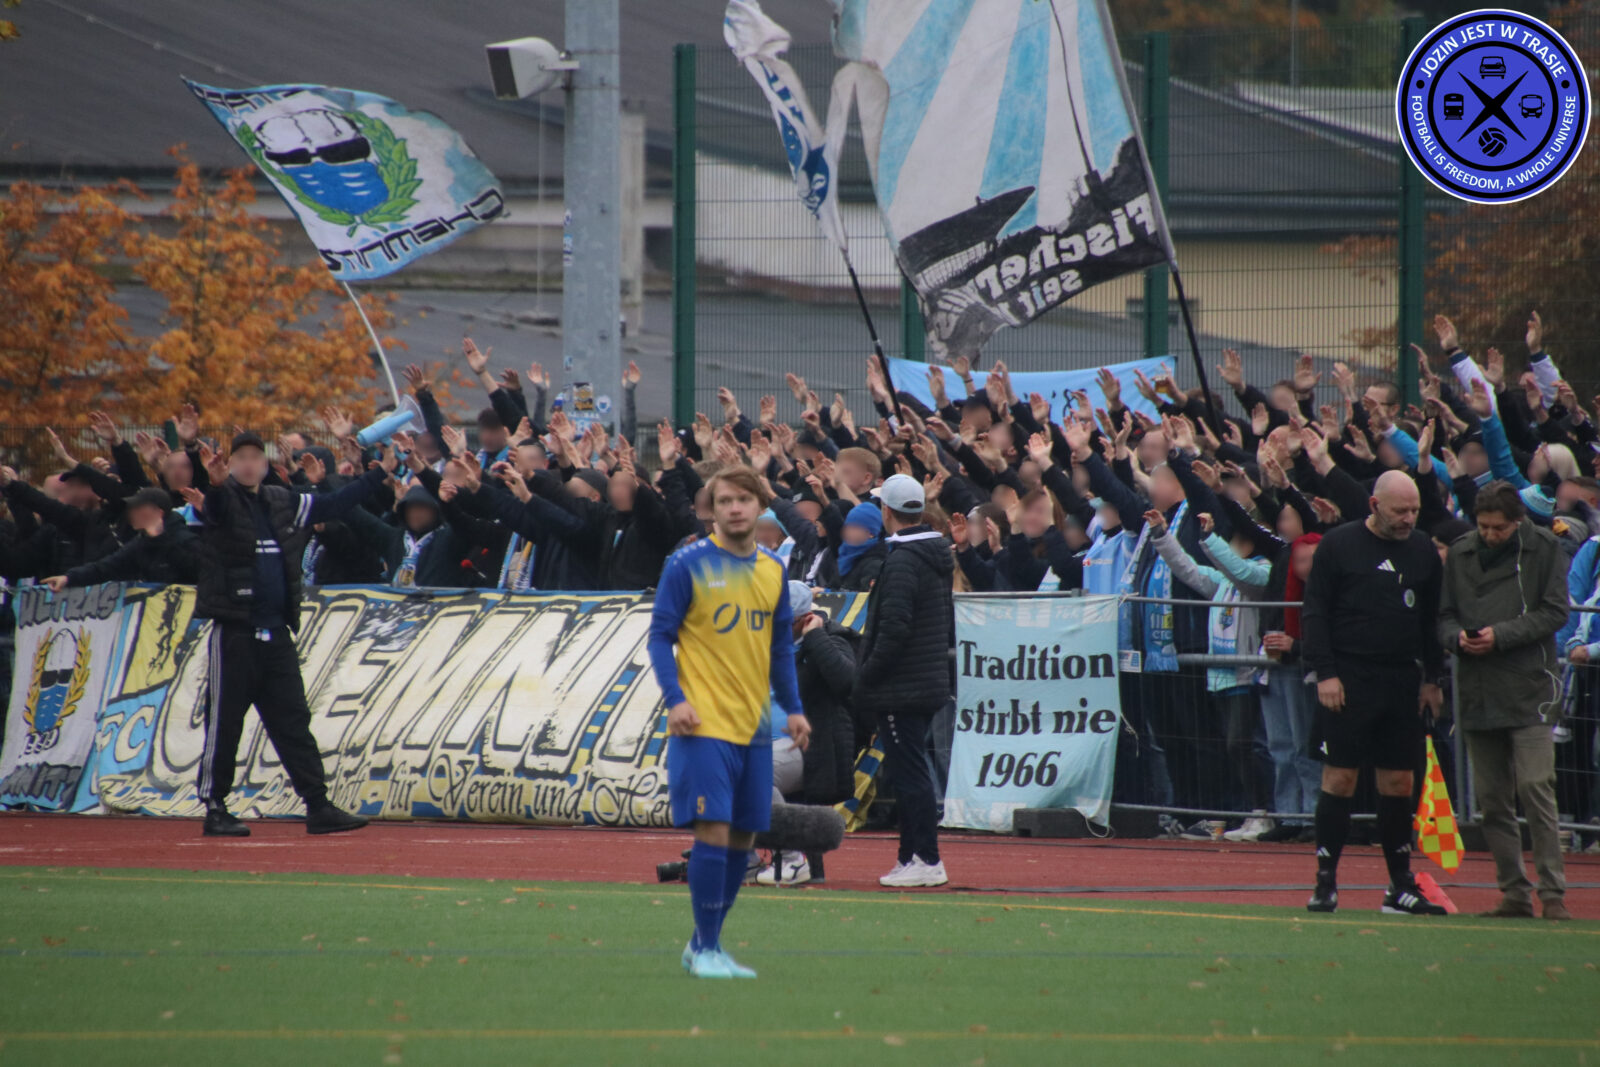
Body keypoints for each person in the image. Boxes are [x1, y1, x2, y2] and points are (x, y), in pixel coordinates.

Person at [648, 466, 810, 980]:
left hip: (756, 728)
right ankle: (710, 950)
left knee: (743, 840)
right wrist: (674, 699)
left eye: (744, 500)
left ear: (760, 505)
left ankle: (702, 944)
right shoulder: (686, 563)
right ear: (711, 508)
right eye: (724, 501)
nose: (735, 508)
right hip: (703, 725)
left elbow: (781, 646)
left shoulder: (772, 570)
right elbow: (659, 637)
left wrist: (797, 707)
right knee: (713, 830)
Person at [191, 432, 384, 838]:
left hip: (276, 631)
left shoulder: (281, 501)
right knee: (225, 723)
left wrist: (376, 474)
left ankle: (318, 804)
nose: (247, 465)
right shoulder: (223, 500)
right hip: (235, 634)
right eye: (240, 457)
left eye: (255, 458)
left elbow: (332, 504)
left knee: (293, 720)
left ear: (264, 464)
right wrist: (214, 482)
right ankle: (216, 807)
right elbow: (217, 509)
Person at [1300, 470, 1447, 915]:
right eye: (1400, 510)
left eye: (1414, 510)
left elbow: (1429, 621)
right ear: (1374, 506)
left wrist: (1432, 679)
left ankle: (1399, 886)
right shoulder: (1339, 544)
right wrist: (1325, 672)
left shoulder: (1422, 549)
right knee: (1340, 778)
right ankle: (1326, 881)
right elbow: (1315, 612)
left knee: (1399, 782)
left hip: (1401, 679)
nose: (1408, 519)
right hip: (1348, 677)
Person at [1438, 482, 1571, 921]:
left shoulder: (1545, 548)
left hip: (1530, 686)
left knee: (1536, 787)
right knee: (1492, 799)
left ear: (1517, 522)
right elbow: (1443, 616)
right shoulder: (1460, 553)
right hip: (1478, 689)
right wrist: (1455, 638)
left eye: (1498, 528)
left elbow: (1555, 612)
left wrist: (1501, 635)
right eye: (1483, 526)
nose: (1491, 534)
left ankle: (1553, 893)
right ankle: (1514, 891)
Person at [854, 473, 954, 888]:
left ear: (886, 512)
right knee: (911, 772)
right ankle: (911, 856)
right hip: (919, 681)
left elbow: (894, 629)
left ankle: (927, 859)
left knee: (911, 775)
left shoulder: (902, 560)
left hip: (902, 685)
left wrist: (866, 676)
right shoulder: (928, 554)